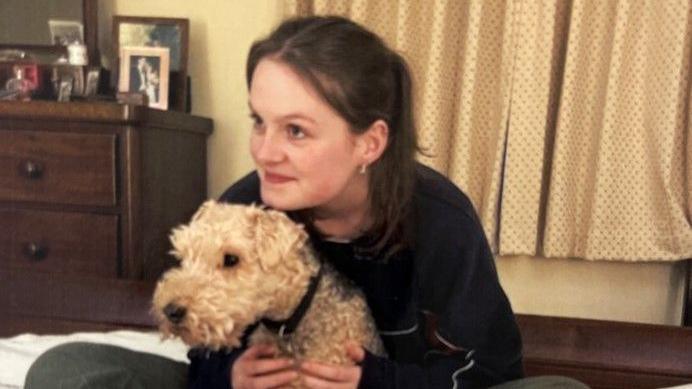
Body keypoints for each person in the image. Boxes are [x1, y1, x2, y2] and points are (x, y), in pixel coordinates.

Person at [25, 15, 588, 389]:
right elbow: (205, 341)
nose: (266, 151)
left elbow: (492, 368)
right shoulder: (248, 206)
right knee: (65, 368)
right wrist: (229, 375)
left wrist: (378, 382)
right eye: (259, 122)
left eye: (295, 131)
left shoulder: (439, 220)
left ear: (369, 141)